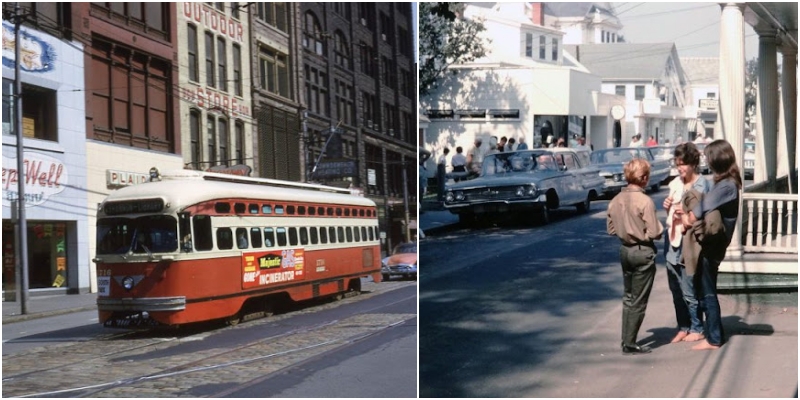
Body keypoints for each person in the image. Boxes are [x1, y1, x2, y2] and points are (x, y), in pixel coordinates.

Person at [680, 139, 742, 351]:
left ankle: (714, 338)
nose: (706, 161)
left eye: (708, 157)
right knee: (703, 288)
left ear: (717, 160)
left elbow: (702, 208)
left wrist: (688, 217)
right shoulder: (725, 183)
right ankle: (712, 333)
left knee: (707, 291)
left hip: (714, 245)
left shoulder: (727, 186)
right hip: (714, 244)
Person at [607, 158, 664, 355]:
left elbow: (611, 229)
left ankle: (626, 339)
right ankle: (630, 342)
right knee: (639, 299)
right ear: (644, 178)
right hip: (642, 251)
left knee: (628, 296)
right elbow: (655, 232)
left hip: (625, 250)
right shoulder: (645, 201)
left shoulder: (616, 200)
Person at [662, 143, 710, 344]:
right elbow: (671, 212)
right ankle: (683, 326)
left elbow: (707, 216)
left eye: (683, 164)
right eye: (677, 164)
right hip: (672, 239)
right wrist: (668, 208)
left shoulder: (702, 186)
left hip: (689, 242)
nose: (680, 168)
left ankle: (697, 327)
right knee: (675, 287)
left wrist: (689, 215)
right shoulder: (675, 184)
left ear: (693, 164)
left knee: (690, 287)